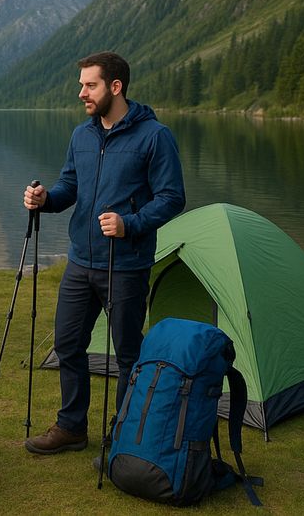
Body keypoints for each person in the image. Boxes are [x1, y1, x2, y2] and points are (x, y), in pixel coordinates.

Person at [22, 51, 185, 456]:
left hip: (127, 265)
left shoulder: (154, 136)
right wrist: (45, 199)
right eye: (81, 85)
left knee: (129, 353)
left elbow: (172, 197)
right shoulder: (83, 135)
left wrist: (130, 223)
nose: (82, 93)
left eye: (90, 85)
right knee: (68, 343)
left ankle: (125, 436)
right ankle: (72, 427)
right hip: (80, 260)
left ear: (116, 86)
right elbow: (69, 187)